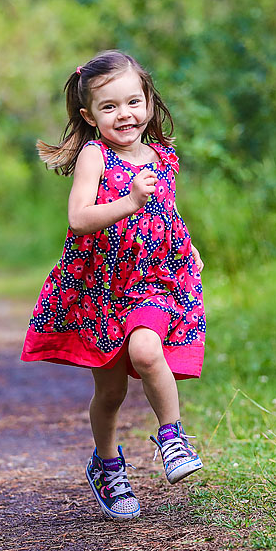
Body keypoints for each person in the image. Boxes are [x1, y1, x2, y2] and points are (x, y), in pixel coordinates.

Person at [21, 50, 206, 520]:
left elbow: (165, 211)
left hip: (155, 282)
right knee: (109, 395)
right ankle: (107, 465)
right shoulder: (94, 155)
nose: (124, 114)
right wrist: (128, 201)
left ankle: (172, 439)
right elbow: (79, 219)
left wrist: (189, 247)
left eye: (132, 102)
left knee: (147, 353)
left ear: (147, 102)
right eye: (109, 107)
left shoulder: (163, 158)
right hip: (102, 289)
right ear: (89, 116)